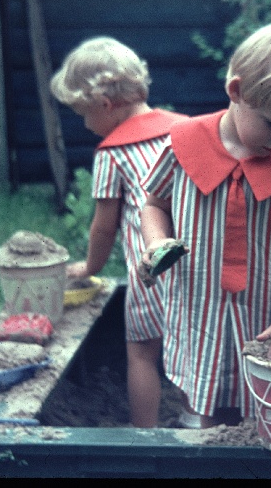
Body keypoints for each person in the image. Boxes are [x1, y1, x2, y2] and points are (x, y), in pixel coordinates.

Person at [137, 18, 271, 428]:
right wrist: (156, 242)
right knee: (201, 403)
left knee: (264, 412)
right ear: (237, 92)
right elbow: (154, 203)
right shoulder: (182, 146)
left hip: (264, 319)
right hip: (199, 313)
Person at [50, 36, 190, 428]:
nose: (84, 123)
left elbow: (104, 226)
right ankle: (199, 424)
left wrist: (90, 266)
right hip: (197, 270)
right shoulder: (188, 131)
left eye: (82, 113)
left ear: (105, 105)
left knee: (143, 354)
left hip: (150, 275)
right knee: (193, 351)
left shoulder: (111, 153)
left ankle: (145, 433)